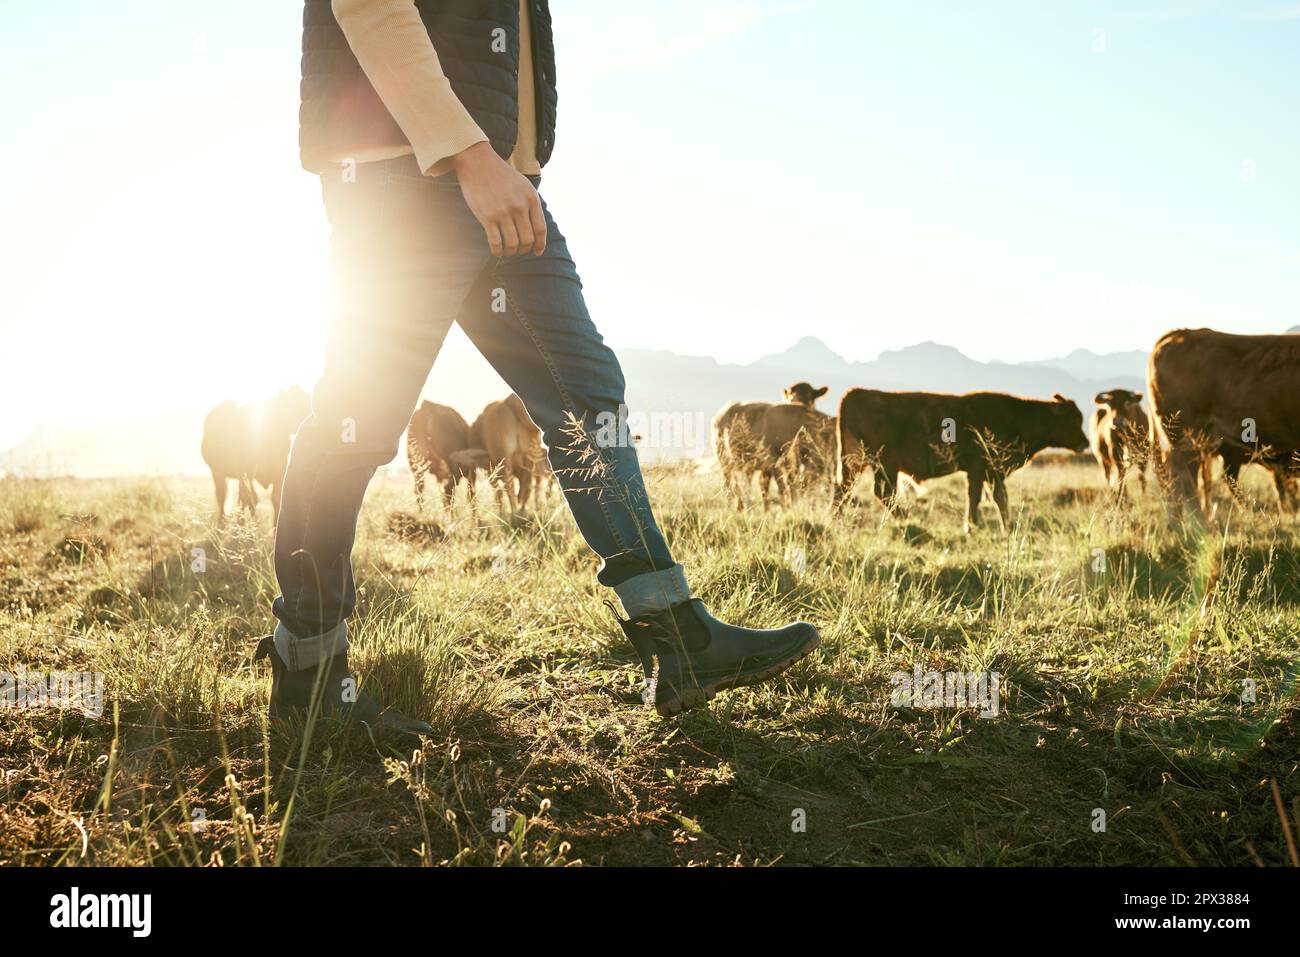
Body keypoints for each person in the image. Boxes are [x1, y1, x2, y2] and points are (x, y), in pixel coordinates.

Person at [256, 0, 820, 727]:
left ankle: (673, 633)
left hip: (499, 180)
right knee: (356, 423)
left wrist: (504, 162)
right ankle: (309, 673)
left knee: (585, 390)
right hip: (406, 174)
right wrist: (468, 154)